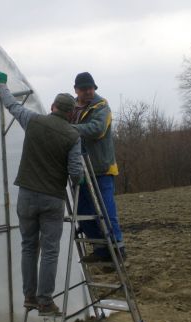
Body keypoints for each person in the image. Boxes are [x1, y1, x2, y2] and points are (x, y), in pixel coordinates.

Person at [0, 71, 82, 315]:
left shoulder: (33, 120)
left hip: (26, 195)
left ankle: (29, 297)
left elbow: (11, 104)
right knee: (50, 250)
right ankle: (45, 301)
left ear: (53, 107)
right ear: (70, 113)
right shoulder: (73, 136)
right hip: (52, 199)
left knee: (28, 246)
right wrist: (79, 184)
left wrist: (2, 84)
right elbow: (75, 172)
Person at [71, 72, 125, 262]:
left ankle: (118, 248)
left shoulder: (102, 107)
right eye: (84, 88)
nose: (89, 91)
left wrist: (69, 129)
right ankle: (101, 249)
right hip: (81, 168)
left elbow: (97, 130)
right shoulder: (72, 108)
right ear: (76, 90)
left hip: (101, 168)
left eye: (91, 88)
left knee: (106, 209)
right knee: (83, 211)